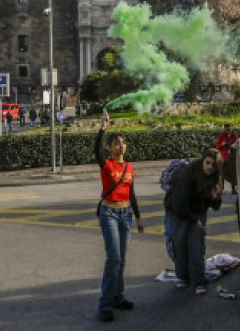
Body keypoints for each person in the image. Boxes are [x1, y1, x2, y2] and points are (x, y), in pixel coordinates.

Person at [95, 111, 144, 323]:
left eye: (123, 143)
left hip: (126, 214)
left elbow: (131, 192)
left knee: (121, 260)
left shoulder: (129, 167)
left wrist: (139, 217)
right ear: (110, 148)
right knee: (113, 258)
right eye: (116, 143)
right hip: (109, 214)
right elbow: (95, 152)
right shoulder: (107, 165)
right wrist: (103, 127)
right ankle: (105, 304)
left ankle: (118, 296)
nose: (120, 146)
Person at [164, 148, 223, 295]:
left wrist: (215, 196)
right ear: (203, 161)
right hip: (178, 211)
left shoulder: (215, 178)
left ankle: (198, 281)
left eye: (213, 165)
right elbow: (179, 202)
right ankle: (183, 277)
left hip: (198, 211)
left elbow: (215, 206)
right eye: (207, 163)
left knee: (196, 246)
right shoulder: (189, 174)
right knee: (180, 244)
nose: (210, 167)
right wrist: (193, 219)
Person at [215, 124, 239, 194]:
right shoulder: (221, 136)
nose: (228, 130)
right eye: (226, 129)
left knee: (232, 173)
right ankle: (222, 190)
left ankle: (233, 189)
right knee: (222, 174)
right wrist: (222, 145)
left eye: (229, 128)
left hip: (232, 157)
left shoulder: (234, 135)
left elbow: (238, 142)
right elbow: (217, 146)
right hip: (224, 157)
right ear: (224, 129)